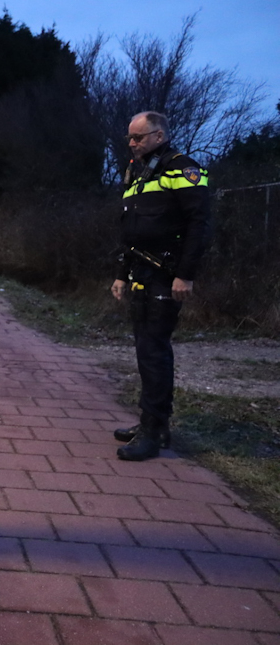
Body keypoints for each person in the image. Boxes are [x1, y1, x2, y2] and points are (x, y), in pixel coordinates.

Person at [110, 111, 211, 461]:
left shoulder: (183, 169)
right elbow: (131, 232)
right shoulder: (137, 172)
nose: (133, 143)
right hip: (140, 271)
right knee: (145, 349)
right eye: (130, 138)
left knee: (154, 351)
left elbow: (199, 224)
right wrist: (122, 274)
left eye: (139, 137)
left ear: (160, 135)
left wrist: (186, 274)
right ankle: (152, 422)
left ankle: (154, 432)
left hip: (166, 275)